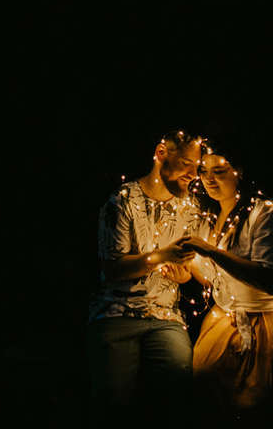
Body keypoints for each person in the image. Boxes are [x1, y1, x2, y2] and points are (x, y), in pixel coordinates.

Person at [182, 148, 273, 427]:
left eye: (219, 171)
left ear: (239, 172)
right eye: (204, 171)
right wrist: (183, 274)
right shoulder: (204, 217)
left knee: (264, 391)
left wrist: (209, 251)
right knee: (203, 377)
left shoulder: (269, 213)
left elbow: (269, 282)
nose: (209, 179)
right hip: (229, 317)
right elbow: (213, 278)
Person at [87, 130, 207, 422]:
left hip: (166, 317)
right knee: (112, 400)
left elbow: (190, 272)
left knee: (179, 376)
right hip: (116, 313)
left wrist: (181, 276)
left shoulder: (191, 210)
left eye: (198, 166)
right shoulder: (121, 201)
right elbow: (113, 269)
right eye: (187, 164)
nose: (194, 174)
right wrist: (161, 257)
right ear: (161, 153)